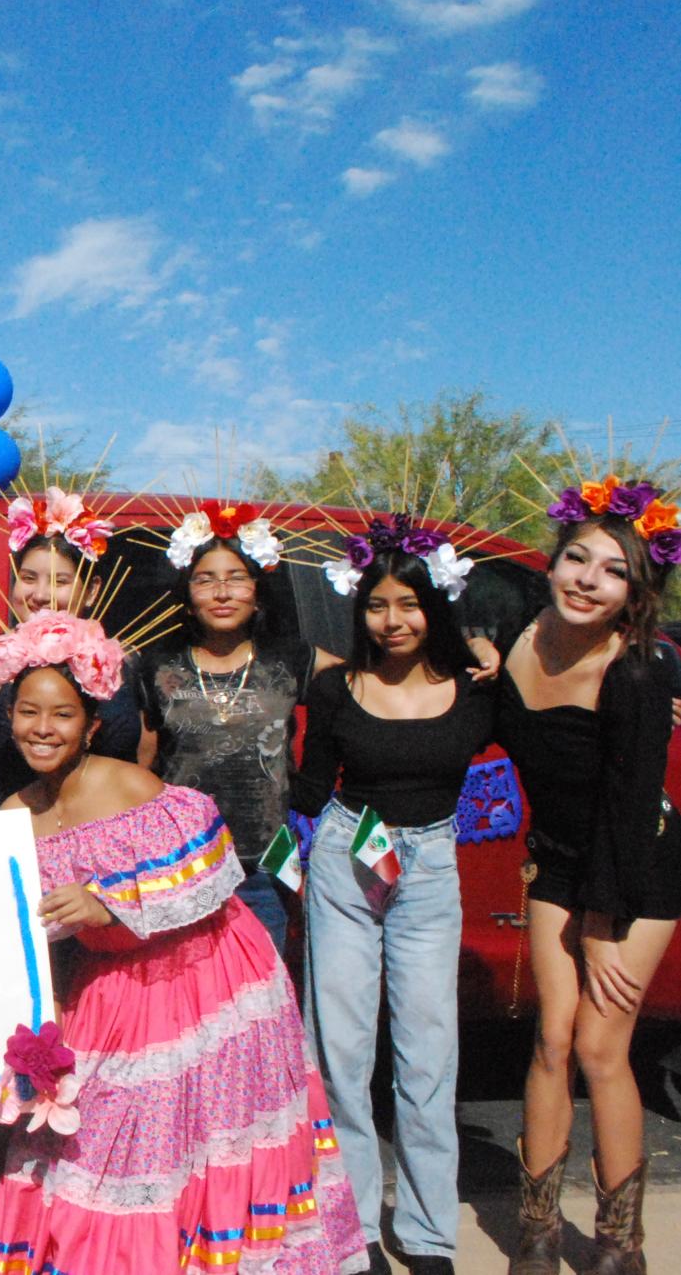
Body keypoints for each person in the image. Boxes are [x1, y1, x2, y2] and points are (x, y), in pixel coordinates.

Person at [0, 611, 366, 1274]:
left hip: (205, 978)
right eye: (27, 712)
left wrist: (108, 903)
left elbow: (210, 866)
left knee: (198, 1143)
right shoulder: (10, 815)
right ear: (9, 717)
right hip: (110, 991)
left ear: (91, 725)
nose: (42, 729)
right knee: (99, 1145)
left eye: (62, 715)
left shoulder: (124, 783)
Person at [294, 523, 495, 1275]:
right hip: (349, 857)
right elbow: (311, 792)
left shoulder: (479, 693)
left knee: (427, 1053)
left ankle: (426, 1231)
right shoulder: (333, 686)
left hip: (430, 868)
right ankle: (348, 1231)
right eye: (377, 604)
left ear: (432, 606)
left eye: (407, 603)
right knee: (339, 1052)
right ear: (360, 610)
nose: (391, 620)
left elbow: (549, 734)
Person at [496, 477, 681, 1275]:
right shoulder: (517, 636)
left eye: (612, 572)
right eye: (576, 558)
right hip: (559, 859)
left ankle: (618, 1245)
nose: (586, 580)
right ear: (551, 561)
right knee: (550, 1038)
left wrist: (603, 929)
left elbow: (631, 807)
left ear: (634, 596)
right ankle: (536, 1232)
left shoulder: (638, 671)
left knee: (603, 1046)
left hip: (638, 866)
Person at [137, 504, 334, 956]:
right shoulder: (157, 667)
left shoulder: (290, 660)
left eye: (237, 578)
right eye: (205, 579)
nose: (222, 592)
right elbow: (141, 768)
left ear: (258, 592)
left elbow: (371, 677)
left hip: (265, 868)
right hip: (183, 865)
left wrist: (470, 650)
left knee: (262, 996)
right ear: (187, 594)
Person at [0, 485, 150, 808]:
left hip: (103, 827)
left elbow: (146, 752)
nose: (40, 595)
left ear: (92, 590)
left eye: (60, 582)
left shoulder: (121, 662)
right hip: (13, 830)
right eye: (28, 577)